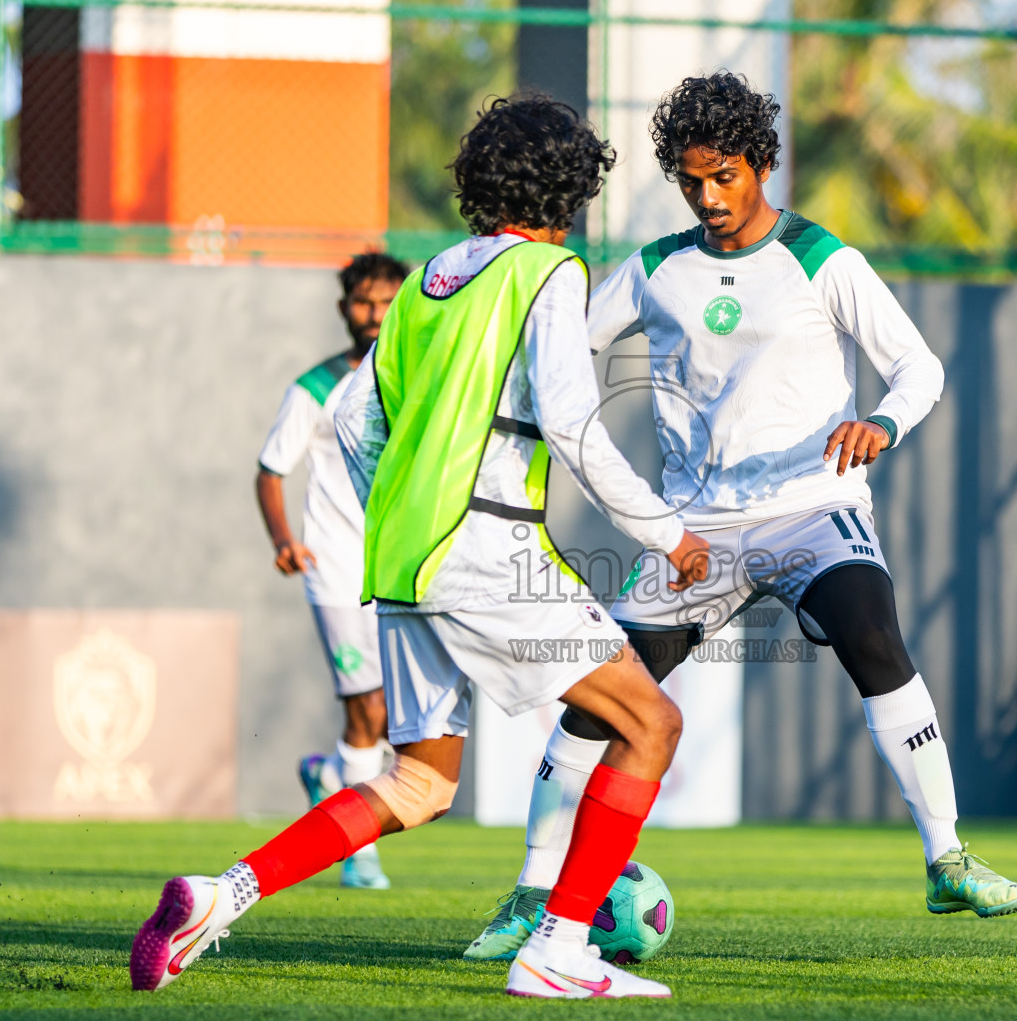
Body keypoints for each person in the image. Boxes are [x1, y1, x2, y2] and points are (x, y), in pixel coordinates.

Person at [130, 93, 710, 999]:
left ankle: (221, 893)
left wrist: (399, 515)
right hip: (486, 546)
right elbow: (571, 423)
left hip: (403, 561)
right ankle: (557, 950)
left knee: (418, 786)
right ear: (572, 183)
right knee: (651, 721)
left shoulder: (435, 275)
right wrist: (665, 531)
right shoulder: (550, 273)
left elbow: (358, 418)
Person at [464, 71, 1017, 962]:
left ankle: (947, 857)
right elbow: (562, 353)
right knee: (604, 702)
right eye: (691, 181)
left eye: (723, 176)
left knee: (873, 633)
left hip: (813, 507)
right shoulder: (652, 269)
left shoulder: (821, 258)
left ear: (762, 164)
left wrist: (882, 420)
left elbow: (918, 368)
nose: (708, 196)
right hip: (697, 532)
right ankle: (530, 895)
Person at [255, 251, 407, 891]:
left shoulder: (414, 376)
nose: (374, 315)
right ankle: (360, 850)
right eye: (363, 302)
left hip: (401, 569)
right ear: (344, 308)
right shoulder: (315, 388)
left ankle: (328, 774)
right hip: (337, 569)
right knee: (366, 706)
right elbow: (270, 470)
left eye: (385, 302)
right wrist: (284, 539)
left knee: (394, 717)